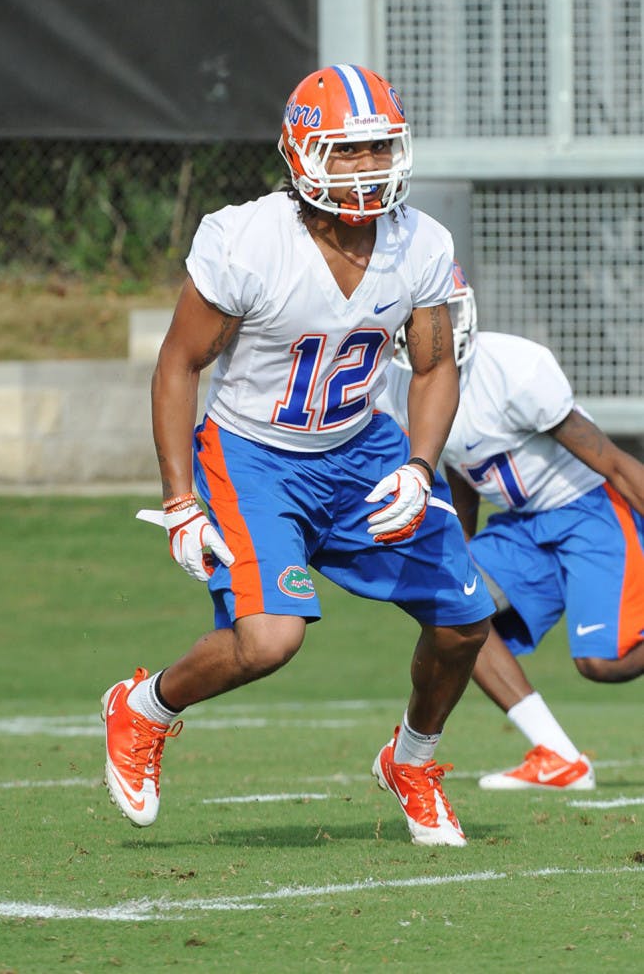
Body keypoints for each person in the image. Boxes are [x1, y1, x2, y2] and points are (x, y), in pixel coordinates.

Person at [101, 65, 495, 847]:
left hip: (362, 448)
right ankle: (143, 708)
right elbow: (179, 364)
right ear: (301, 153)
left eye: (379, 147)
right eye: (346, 152)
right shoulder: (246, 239)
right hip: (255, 454)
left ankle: (411, 762)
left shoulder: (421, 241)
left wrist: (419, 467)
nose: (368, 167)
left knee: (464, 623)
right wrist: (180, 498)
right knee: (271, 639)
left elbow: (434, 364)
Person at [377, 262, 644, 790]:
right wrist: (464, 545)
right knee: (453, 605)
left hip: (591, 510)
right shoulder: (394, 384)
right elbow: (455, 461)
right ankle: (558, 755)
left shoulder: (515, 368)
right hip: (523, 527)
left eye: (441, 314)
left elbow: (612, 461)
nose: (433, 330)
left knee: (600, 663)